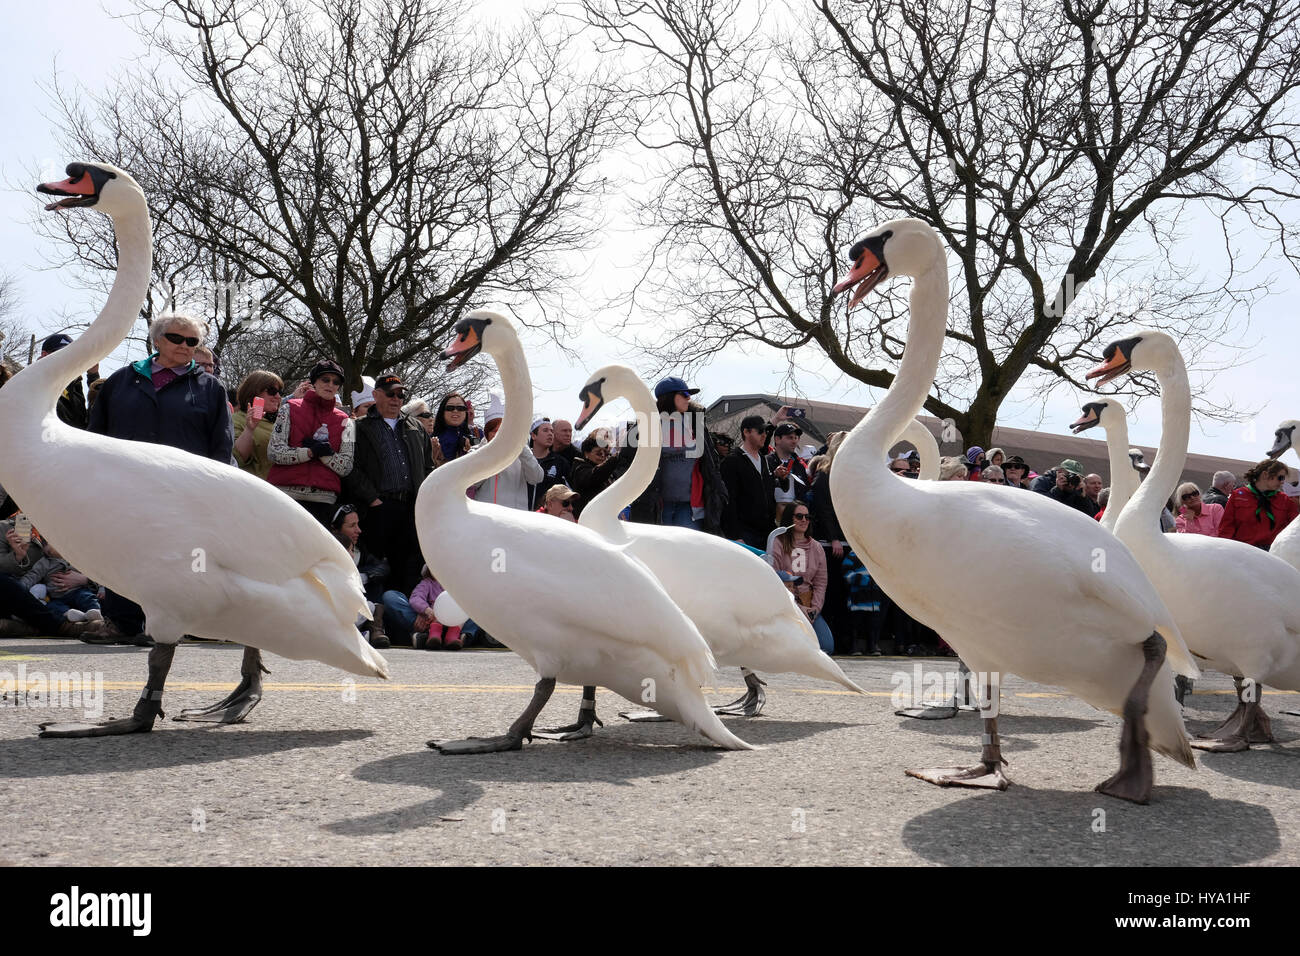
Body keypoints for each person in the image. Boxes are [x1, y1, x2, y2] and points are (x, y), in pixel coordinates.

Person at [86, 313, 232, 643]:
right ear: (157, 340)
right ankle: (121, 622)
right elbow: (96, 435)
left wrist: (213, 490)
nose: (185, 346)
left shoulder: (210, 388)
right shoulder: (122, 380)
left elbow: (221, 445)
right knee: (125, 551)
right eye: (176, 338)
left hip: (183, 490)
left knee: (176, 558)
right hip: (126, 485)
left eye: (192, 341)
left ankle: (165, 625)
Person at [348, 373, 434, 594]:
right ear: (376, 395)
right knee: (378, 568)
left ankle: (405, 621)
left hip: (410, 508)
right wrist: (373, 499)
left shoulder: (416, 427)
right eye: (390, 394)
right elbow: (350, 467)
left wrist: (422, 501)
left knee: (409, 567)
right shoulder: (358, 427)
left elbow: (427, 467)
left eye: (400, 395)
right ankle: (377, 621)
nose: (396, 399)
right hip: (378, 509)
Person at [629, 377, 726, 532]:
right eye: (685, 394)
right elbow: (628, 463)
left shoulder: (695, 422)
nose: (689, 398)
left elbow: (711, 462)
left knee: (687, 553)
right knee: (661, 553)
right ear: (668, 397)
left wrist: (719, 492)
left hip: (690, 507)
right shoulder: (647, 425)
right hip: (657, 506)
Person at [267, 359, 356, 526]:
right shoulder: (288, 408)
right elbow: (274, 451)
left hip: (323, 500)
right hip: (285, 495)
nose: (331, 384)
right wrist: (309, 452)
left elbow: (346, 467)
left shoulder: (347, 422)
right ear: (314, 381)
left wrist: (325, 455)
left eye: (336, 382)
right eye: (325, 379)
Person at [768, 502, 833, 655]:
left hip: (808, 603)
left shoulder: (817, 547)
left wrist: (814, 610)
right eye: (799, 516)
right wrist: (797, 607)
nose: (804, 520)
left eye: (807, 517)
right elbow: (773, 576)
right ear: (789, 518)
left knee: (826, 647)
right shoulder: (777, 542)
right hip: (785, 604)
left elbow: (820, 583)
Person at [469, 392, 544, 510]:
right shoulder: (476, 451)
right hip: (484, 517)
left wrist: (520, 446)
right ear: (487, 432)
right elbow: (472, 481)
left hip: (514, 518)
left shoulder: (521, 452)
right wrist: (488, 451)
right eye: (494, 431)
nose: (498, 435)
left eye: (502, 430)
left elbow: (536, 478)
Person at [329, 504, 388, 648]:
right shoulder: (325, 553)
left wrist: (362, 577)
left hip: (354, 605)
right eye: (352, 526)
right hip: (332, 609)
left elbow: (382, 568)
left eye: (358, 525)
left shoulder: (361, 550)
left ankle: (375, 628)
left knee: (375, 588)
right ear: (336, 529)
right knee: (367, 606)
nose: (358, 530)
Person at [720, 414, 778, 548]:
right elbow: (728, 501)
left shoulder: (763, 460)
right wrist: (735, 535)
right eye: (760, 431)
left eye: (765, 431)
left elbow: (768, 493)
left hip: (766, 532)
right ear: (746, 432)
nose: (764, 435)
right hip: (744, 533)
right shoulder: (732, 461)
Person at [1218, 459, 1299, 549]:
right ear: (1265, 474)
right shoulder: (1237, 496)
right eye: (1280, 478)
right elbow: (1226, 527)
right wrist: (1226, 549)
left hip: (1273, 553)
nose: (1282, 482)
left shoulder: (1285, 500)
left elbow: (1294, 528)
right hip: (1244, 551)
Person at [381, 564, 462, 650]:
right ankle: (430, 635)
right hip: (430, 620)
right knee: (390, 596)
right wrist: (426, 610)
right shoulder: (427, 583)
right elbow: (416, 598)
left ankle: (457, 638)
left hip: (456, 624)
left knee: (475, 608)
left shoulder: (458, 584)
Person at [231, 370, 284, 479]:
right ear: (254, 391)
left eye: (280, 392)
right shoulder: (237, 419)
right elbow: (237, 459)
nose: (278, 396)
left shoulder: (283, 420)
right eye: (272, 391)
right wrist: (249, 430)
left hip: (283, 489)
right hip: (254, 487)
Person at [39, 332, 91, 429]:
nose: (69, 359)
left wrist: (93, 377)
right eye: (63, 354)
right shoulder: (34, 383)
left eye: (73, 355)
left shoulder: (75, 388)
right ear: (45, 355)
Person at [569, 429, 619, 518]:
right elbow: (594, 476)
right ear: (586, 453)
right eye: (599, 453)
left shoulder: (610, 473)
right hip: (587, 520)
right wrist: (616, 457)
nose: (603, 456)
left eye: (606, 453)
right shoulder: (580, 468)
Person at [525, 418, 571, 511]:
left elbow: (567, 493)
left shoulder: (560, 462)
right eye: (545, 430)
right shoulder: (522, 460)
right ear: (533, 435)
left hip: (547, 518)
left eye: (552, 431)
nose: (550, 434)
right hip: (520, 514)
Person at [768, 421, 810, 520]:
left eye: (796, 438)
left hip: (796, 521)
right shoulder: (766, 462)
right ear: (777, 439)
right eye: (790, 437)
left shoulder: (800, 465)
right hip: (771, 520)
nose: (794, 441)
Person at [431, 392, 475, 466]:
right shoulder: (432, 438)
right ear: (442, 411)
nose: (455, 411)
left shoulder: (475, 433)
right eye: (450, 408)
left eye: (460, 408)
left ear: (465, 412)